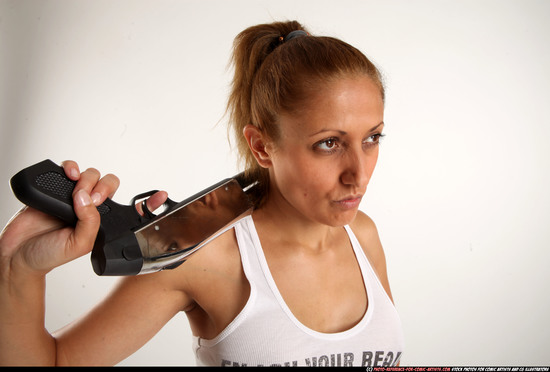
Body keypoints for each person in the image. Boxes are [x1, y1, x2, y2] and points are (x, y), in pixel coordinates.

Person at [0, 20, 404, 366]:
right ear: (262, 147)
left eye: (372, 138)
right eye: (329, 143)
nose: (359, 176)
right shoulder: (200, 254)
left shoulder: (362, 235)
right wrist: (19, 269)